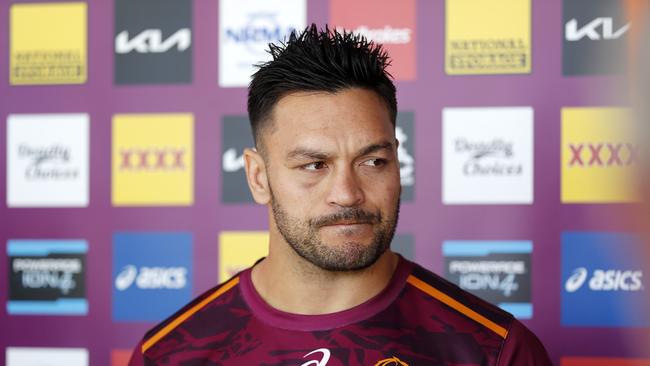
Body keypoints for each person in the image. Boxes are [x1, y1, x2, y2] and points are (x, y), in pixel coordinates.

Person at [128, 24, 552, 365]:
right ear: (258, 177)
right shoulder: (170, 353)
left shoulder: (494, 350)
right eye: (314, 166)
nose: (347, 194)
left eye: (372, 162)